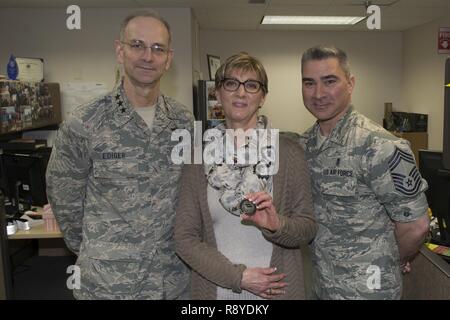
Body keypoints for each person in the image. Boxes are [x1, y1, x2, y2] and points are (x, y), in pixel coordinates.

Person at [46, 10, 194, 300]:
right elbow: (64, 199)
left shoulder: (183, 121)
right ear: (119, 50)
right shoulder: (84, 122)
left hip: (172, 281)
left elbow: (189, 195)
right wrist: (102, 249)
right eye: (137, 45)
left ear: (169, 58)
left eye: (157, 48)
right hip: (108, 286)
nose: (147, 57)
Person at [175, 52, 317, 300]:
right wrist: (238, 277)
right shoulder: (196, 158)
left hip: (278, 294)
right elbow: (184, 238)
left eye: (251, 85)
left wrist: (276, 225)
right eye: (231, 84)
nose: (241, 93)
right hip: (216, 293)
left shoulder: (289, 153)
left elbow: (307, 229)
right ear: (218, 94)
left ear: (263, 97)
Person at [299, 45, 430, 300]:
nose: (318, 93)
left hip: (368, 291)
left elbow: (416, 225)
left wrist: (393, 258)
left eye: (329, 81)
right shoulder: (306, 145)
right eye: (309, 83)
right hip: (322, 286)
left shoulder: (382, 146)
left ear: (350, 83)